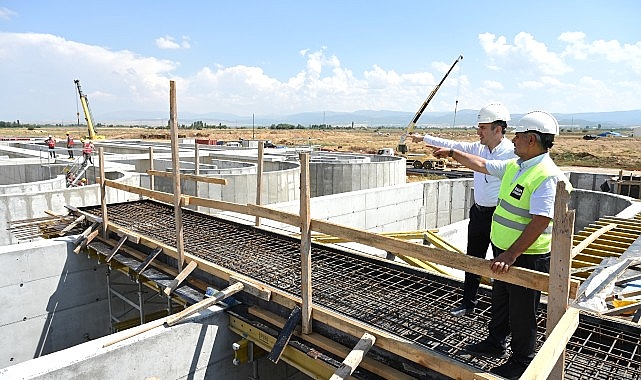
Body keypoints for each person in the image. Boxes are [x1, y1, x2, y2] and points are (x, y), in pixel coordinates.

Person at [431, 111, 572, 379]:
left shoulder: (546, 175)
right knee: (501, 300)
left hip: (526, 256)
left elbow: (541, 220)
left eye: (518, 136)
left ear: (532, 139)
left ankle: (521, 362)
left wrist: (511, 254)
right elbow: (482, 164)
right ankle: (495, 343)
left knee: (522, 312)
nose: (514, 140)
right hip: (505, 251)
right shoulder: (517, 165)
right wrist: (452, 153)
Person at [410, 103, 516, 317]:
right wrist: (425, 139)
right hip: (479, 213)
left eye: (482, 128)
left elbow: (462, 153)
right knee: (472, 259)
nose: (478, 132)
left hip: (500, 217)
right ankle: (468, 303)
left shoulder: (511, 154)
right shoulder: (479, 148)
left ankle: (500, 313)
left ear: (498, 129)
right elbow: (454, 145)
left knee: (499, 264)